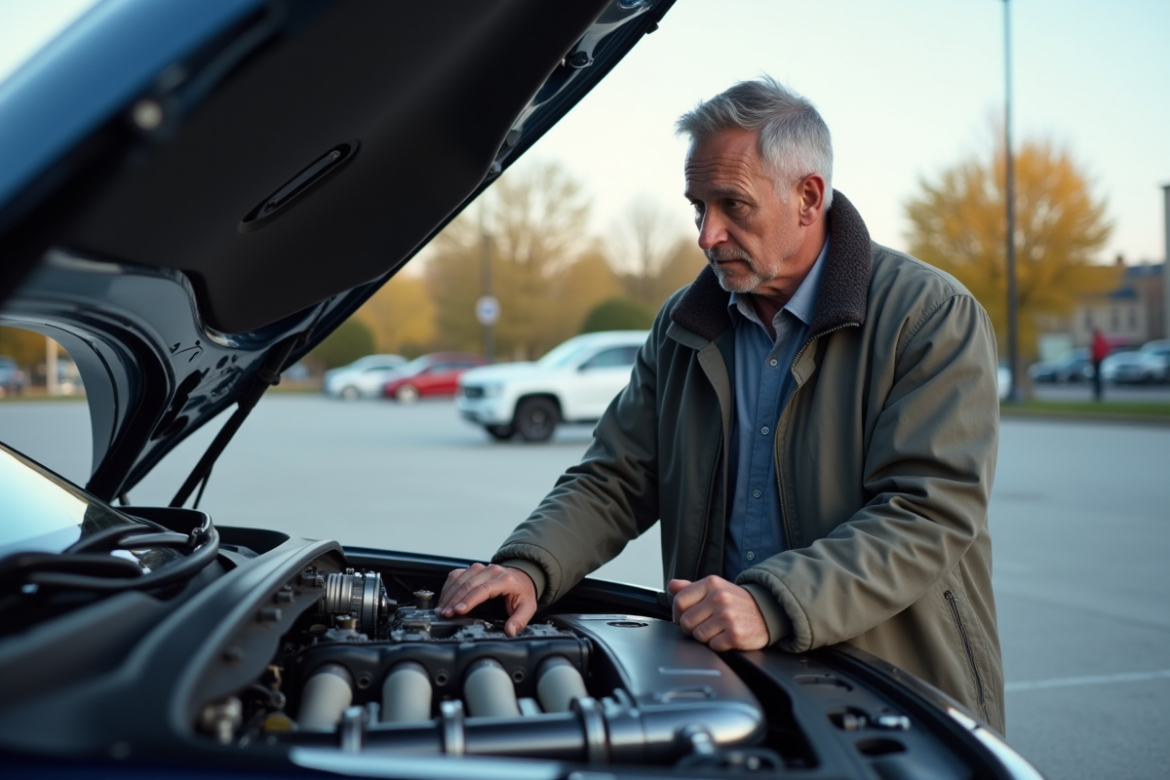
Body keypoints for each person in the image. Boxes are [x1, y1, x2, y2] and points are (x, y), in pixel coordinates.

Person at [438, 77, 1004, 732]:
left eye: (732, 205)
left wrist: (772, 603)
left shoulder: (929, 316)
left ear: (807, 197)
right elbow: (614, 478)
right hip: (724, 682)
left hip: (892, 697)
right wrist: (528, 567)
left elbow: (926, 512)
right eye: (697, 206)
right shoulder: (683, 324)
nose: (707, 235)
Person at [1091, 327, 1109, 400]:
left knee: (1097, 377)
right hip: (1098, 359)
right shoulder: (1099, 339)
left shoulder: (1097, 340)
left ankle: (1097, 393)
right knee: (1097, 377)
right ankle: (1098, 392)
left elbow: (1095, 350)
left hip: (1097, 360)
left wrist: (1096, 357)